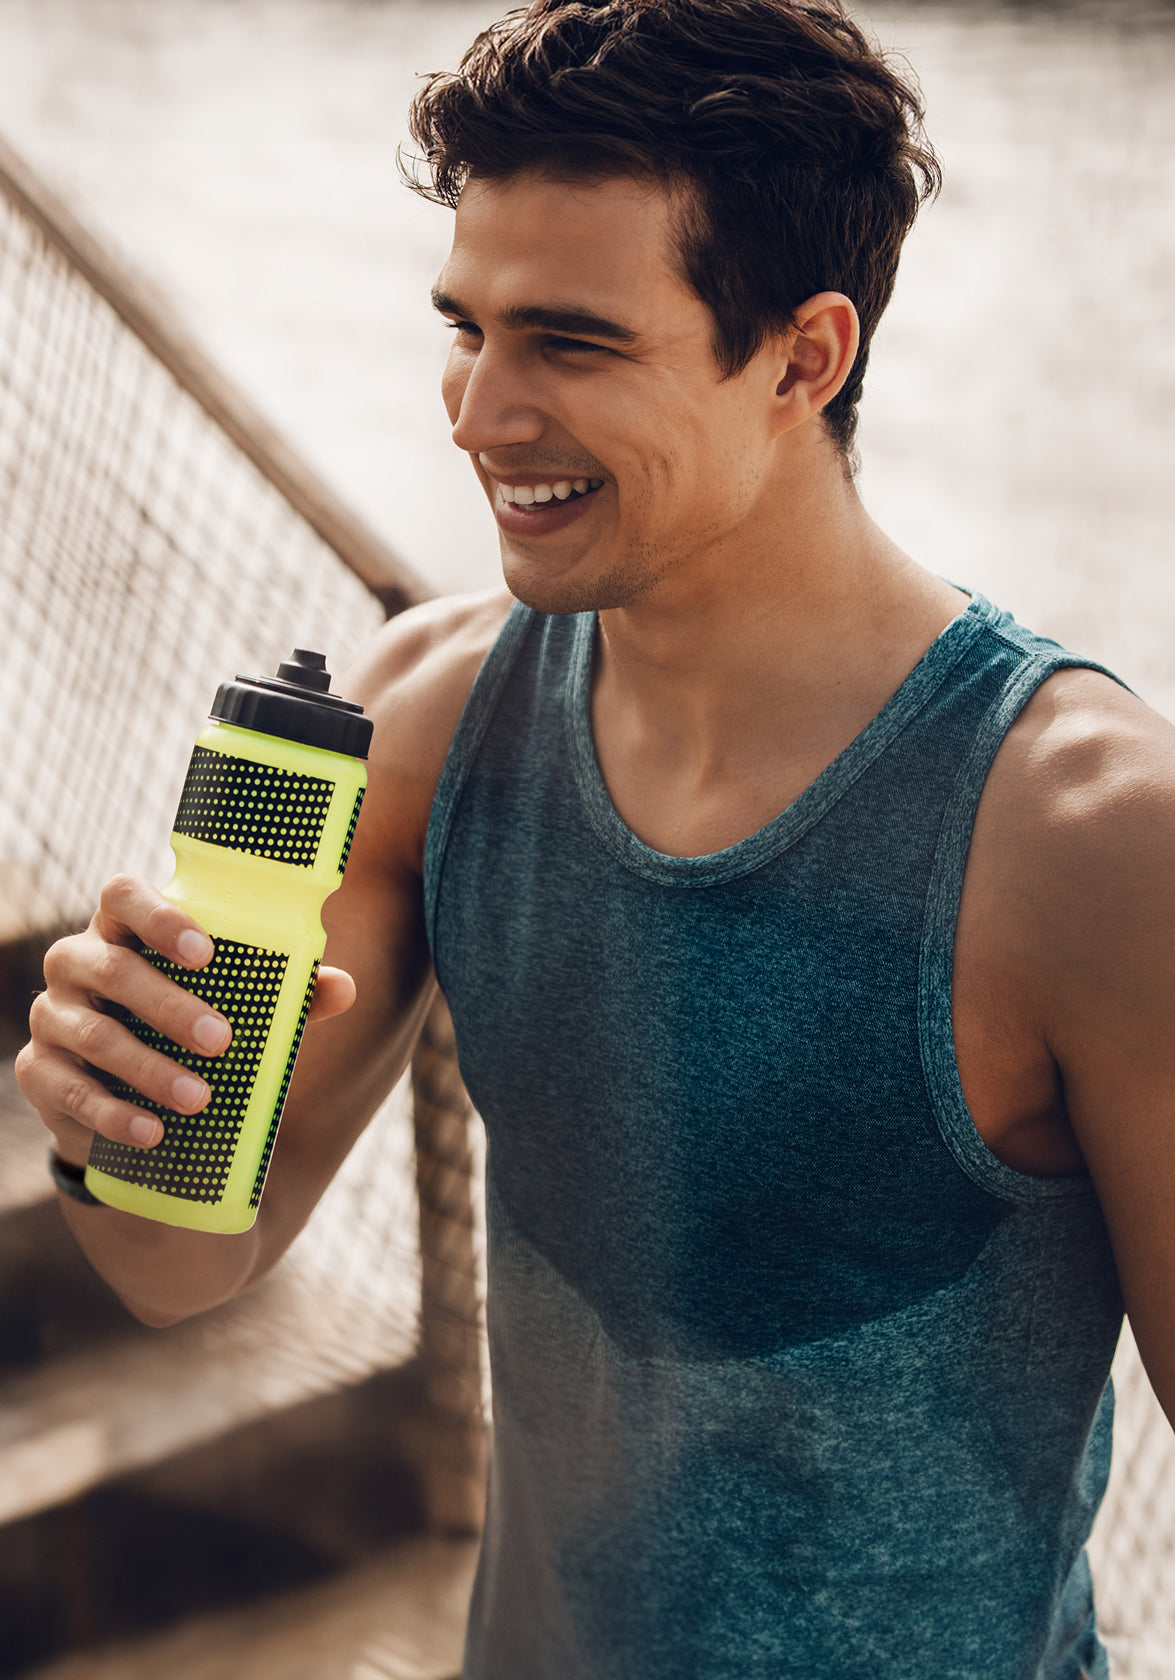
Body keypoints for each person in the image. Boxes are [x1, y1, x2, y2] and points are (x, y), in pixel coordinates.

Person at [15, 1, 1175, 1674]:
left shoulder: (1088, 838)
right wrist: (112, 1110)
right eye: (465, 328)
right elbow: (179, 1267)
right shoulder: (420, 722)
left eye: (568, 342)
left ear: (803, 356)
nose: (478, 413)